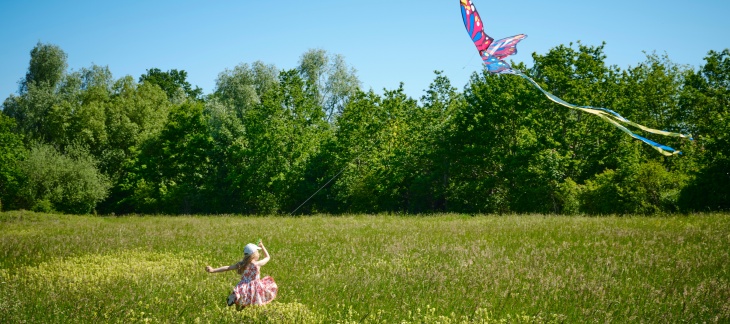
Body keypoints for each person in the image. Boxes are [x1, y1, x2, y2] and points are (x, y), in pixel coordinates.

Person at [205, 240, 278, 307]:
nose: (259, 254)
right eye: (257, 252)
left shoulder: (242, 264)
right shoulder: (257, 264)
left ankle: (235, 297)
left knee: (243, 298)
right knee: (255, 300)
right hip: (255, 286)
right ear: (254, 254)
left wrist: (213, 270)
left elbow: (228, 268)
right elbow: (268, 257)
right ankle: (239, 302)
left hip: (243, 285)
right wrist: (262, 246)